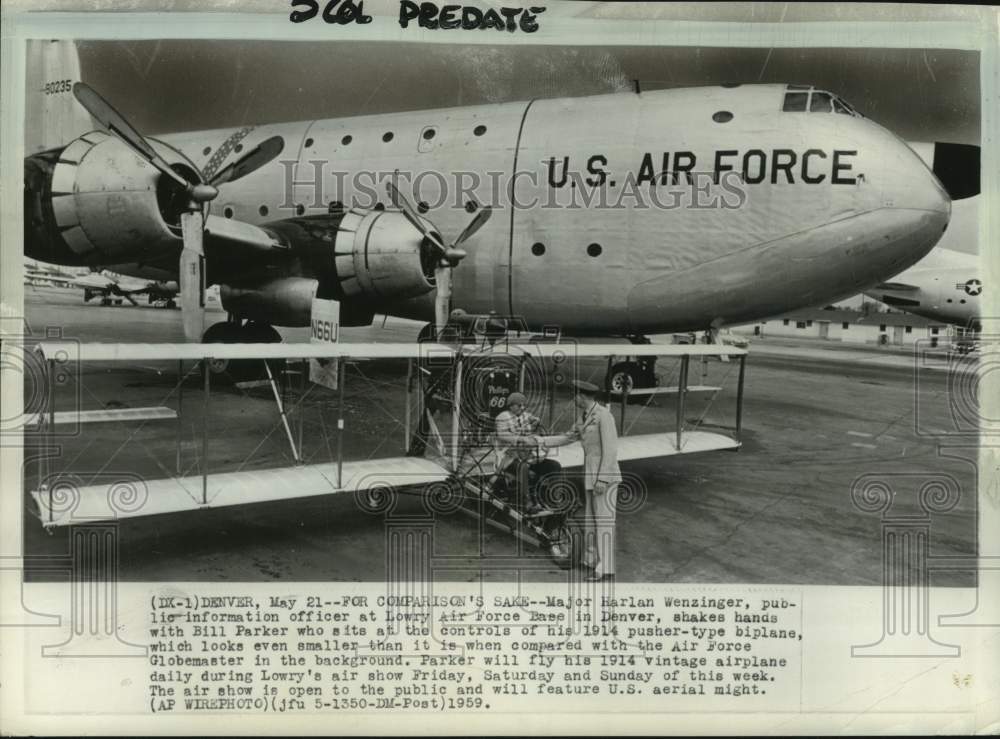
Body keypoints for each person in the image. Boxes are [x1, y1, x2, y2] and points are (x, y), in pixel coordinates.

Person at [545, 380, 621, 581]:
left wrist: (603, 479)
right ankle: (590, 560)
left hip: (605, 476)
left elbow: (611, 450)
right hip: (590, 475)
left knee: (604, 522)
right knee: (591, 521)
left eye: (576, 395)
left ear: (583, 396)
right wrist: (537, 440)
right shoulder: (584, 416)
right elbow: (567, 437)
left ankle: (605, 569)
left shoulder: (604, 416)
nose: (574, 399)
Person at [494, 392, 561, 513]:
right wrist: (522, 438)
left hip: (528, 456)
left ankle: (552, 497)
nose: (522, 408)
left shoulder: (524, 415)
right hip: (507, 458)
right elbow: (502, 435)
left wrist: (536, 421)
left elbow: (532, 420)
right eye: (519, 405)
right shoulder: (503, 417)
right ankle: (526, 502)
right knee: (523, 467)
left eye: (524, 405)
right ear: (511, 406)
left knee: (554, 465)